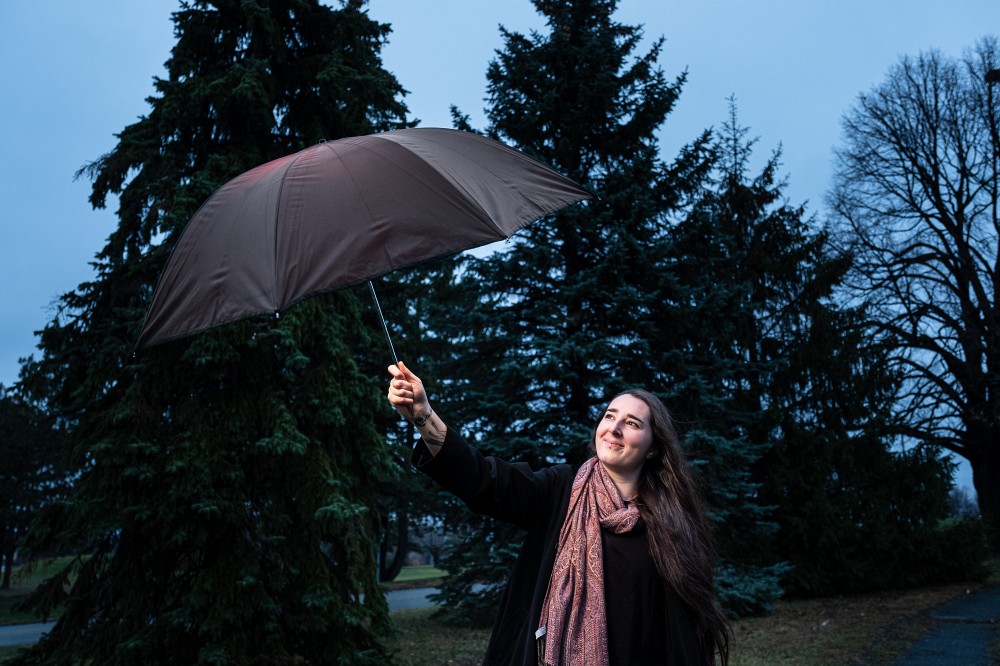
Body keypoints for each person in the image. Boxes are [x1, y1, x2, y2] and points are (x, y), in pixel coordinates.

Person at [387, 361, 731, 666]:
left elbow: (687, 633)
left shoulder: (670, 522)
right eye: (609, 416)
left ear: (654, 447)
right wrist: (423, 415)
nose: (613, 428)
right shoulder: (560, 491)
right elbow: (485, 481)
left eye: (632, 423)